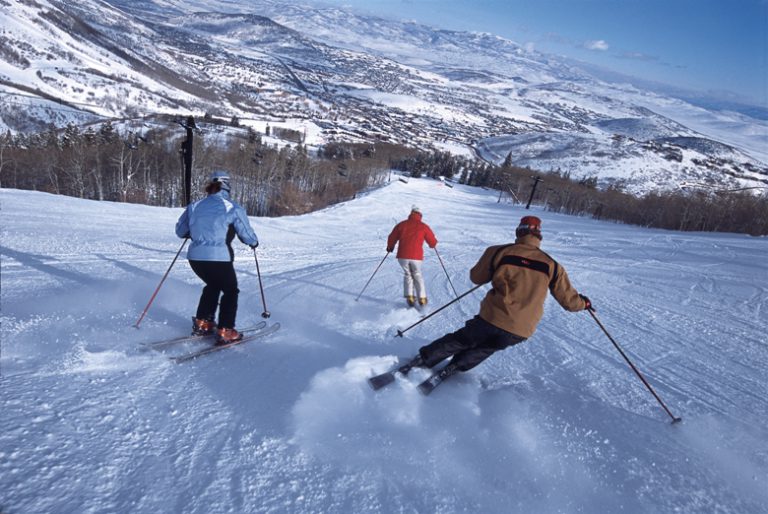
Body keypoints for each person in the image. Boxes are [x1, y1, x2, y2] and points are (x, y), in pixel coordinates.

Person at [401, 215, 591, 382]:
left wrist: (495, 271)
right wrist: (584, 303)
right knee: (487, 347)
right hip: (521, 330)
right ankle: (455, 367)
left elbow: (476, 277)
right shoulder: (553, 265)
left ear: (519, 232)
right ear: (539, 237)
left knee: (462, 339)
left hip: (493, 317)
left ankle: (424, 359)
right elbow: (570, 302)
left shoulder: (499, 251)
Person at [175, 170, 259, 345]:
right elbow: (246, 234)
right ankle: (226, 330)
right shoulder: (232, 207)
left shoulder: (195, 206)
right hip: (218, 257)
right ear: (227, 185)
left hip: (195, 259)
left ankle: (203, 322)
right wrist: (253, 242)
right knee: (230, 290)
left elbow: (180, 231)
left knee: (213, 285)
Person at [387, 205, 438, 307]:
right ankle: (422, 299)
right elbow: (432, 241)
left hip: (402, 256)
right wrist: (433, 244)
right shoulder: (423, 226)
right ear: (420, 215)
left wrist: (390, 247)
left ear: (411, 214)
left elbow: (392, 236)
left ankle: (410, 297)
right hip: (416, 257)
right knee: (417, 274)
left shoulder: (402, 225)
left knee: (408, 274)